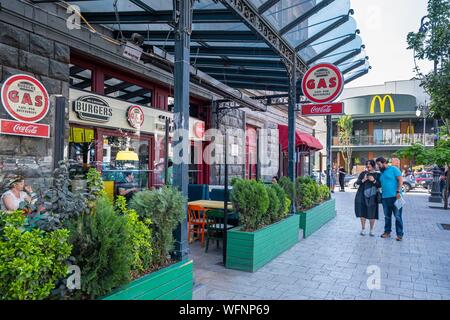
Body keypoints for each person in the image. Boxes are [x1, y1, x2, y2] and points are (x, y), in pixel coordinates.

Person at [376, 157, 404, 241]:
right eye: (377, 165)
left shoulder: (394, 169)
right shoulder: (382, 173)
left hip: (396, 197)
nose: (378, 166)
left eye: (379, 164)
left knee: (398, 216)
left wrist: (398, 191)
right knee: (387, 217)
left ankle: (399, 234)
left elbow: (400, 180)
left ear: (384, 162)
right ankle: (387, 232)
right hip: (385, 198)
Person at [354, 160, 381, 236]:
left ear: (373, 165)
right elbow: (357, 183)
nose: (368, 165)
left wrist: (374, 180)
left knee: (372, 212)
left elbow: (379, 185)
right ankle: (363, 229)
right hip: (361, 195)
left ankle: (371, 230)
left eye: (369, 164)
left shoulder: (377, 175)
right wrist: (364, 179)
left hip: (372, 196)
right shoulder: (363, 173)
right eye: (367, 164)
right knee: (362, 211)